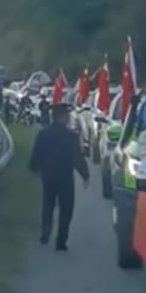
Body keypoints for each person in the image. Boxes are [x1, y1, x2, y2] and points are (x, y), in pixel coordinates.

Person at [29, 102, 90, 249]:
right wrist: (85, 174)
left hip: (48, 177)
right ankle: (61, 241)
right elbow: (77, 158)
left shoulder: (43, 134)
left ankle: (45, 233)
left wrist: (35, 169)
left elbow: (36, 156)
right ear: (61, 117)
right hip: (65, 179)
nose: (68, 118)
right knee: (66, 209)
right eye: (66, 116)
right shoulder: (71, 137)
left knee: (48, 205)